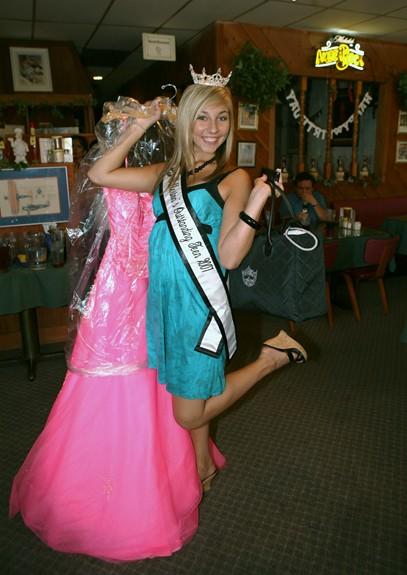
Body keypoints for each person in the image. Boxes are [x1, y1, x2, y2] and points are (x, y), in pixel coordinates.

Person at [9, 98, 226, 561]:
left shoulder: (173, 175)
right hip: (118, 297)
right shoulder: (146, 173)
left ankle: (179, 469)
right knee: (115, 392)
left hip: (160, 292)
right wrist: (140, 124)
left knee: (167, 385)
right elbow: (101, 173)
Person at [88, 65, 308, 491]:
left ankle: (272, 357)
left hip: (199, 308)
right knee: (191, 390)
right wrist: (143, 123)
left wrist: (258, 199)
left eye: (222, 118)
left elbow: (229, 256)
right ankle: (203, 464)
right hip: (164, 305)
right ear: (186, 120)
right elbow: (101, 173)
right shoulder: (165, 175)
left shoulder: (233, 178)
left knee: (188, 412)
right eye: (203, 117)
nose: (213, 128)